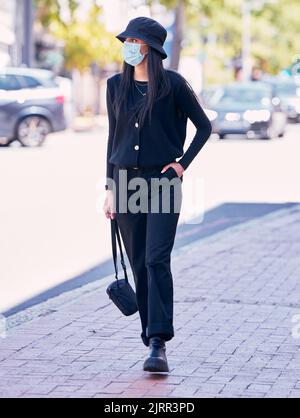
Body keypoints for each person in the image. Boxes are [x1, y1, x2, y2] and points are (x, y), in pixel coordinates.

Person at [103, 16, 212, 373]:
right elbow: (112, 140)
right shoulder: (115, 85)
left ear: (151, 48)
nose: (128, 46)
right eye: (127, 40)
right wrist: (109, 190)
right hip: (124, 184)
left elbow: (204, 126)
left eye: (135, 41)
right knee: (138, 263)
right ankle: (148, 333)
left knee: (155, 259)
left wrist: (183, 164)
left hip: (163, 182)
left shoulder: (174, 85)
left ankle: (158, 341)